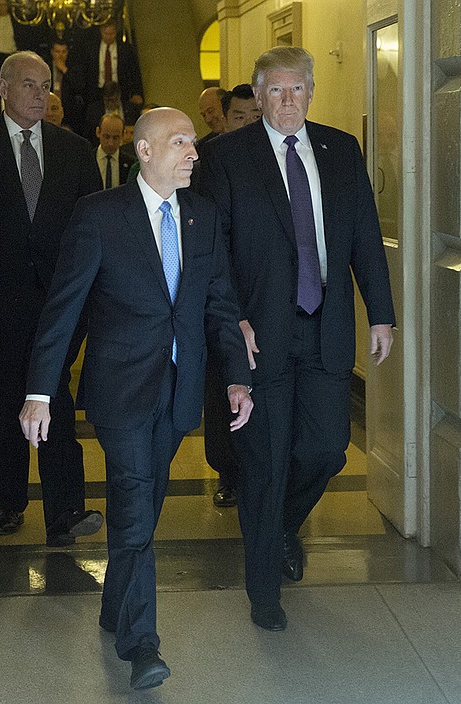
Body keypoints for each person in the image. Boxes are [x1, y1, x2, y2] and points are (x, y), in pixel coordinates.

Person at [19, 107, 253, 690]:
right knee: (133, 505)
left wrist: (236, 379)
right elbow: (63, 307)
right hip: (120, 391)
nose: (194, 154)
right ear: (145, 152)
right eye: (181, 143)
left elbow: (219, 303)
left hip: (178, 393)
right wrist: (39, 392)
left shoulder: (202, 214)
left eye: (194, 144)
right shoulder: (100, 217)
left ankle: (111, 606)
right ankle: (141, 644)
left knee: (142, 510)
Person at [198, 46, 395, 631]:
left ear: (311, 92)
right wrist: (232, 320)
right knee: (262, 463)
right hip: (260, 335)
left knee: (325, 450)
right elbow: (213, 251)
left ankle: (281, 526)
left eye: (298, 89)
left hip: (325, 328)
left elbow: (363, 232)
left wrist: (379, 313)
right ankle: (263, 592)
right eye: (276, 91)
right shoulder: (226, 157)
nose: (288, 100)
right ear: (257, 97)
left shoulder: (340, 150)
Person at [0, 51, 103, 544]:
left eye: (46, 85)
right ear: (3, 89)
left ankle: (66, 513)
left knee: (57, 403)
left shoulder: (73, 150)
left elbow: (92, 228)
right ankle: (9, 504)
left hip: (59, 309)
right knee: (5, 410)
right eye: (30, 84)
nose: (41, 94)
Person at [200, 85, 261, 507]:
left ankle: (262, 470)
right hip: (220, 292)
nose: (250, 125)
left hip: (265, 293)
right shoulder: (206, 159)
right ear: (224, 118)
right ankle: (227, 471)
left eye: (256, 116)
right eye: (240, 117)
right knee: (222, 385)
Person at [0, 0, 44, 122]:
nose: (1, 8)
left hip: (12, 58)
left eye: (4, 5)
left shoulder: (16, 20)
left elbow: (24, 39)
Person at [95, 113, 135, 188]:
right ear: (98, 132)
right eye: (106, 137)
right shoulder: (87, 159)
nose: (110, 143)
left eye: (115, 138)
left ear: (123, 135)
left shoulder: (130, 163)